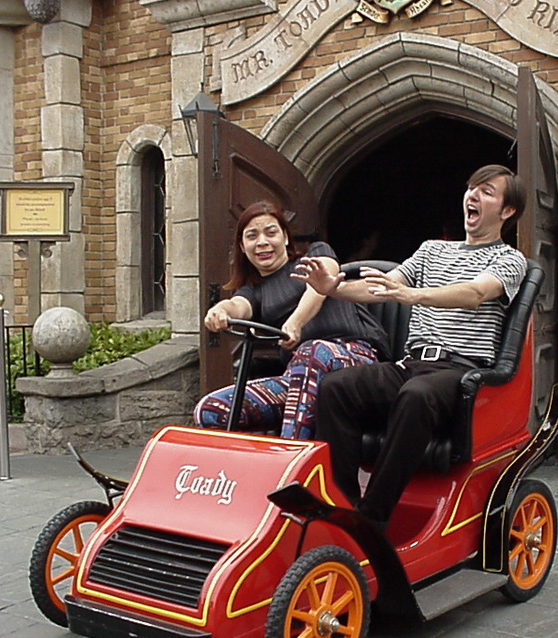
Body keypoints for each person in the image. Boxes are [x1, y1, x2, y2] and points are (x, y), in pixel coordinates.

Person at [293, 164, 528, 529]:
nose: (472, 196)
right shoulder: (431, 250)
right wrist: (332, 289)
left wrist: (415, 295)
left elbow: (476, 293)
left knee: (417, 395)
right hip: (410, 364)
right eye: (470, 188)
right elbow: (382, 288)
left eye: (486, 191)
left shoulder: (509, 260)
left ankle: (372, 516)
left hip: (458, 371)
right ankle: (340, 503)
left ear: (507, 210)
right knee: (337, 387)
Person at [193, 200, 389, 440]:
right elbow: (236, 306)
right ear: (243, 247)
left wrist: (296, 322)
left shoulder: (316, 254)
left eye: (271, 232)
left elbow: (320, 287)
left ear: (285, 237)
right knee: (212, 409)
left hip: (356, 361)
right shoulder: (255, 291)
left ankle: (290, 465)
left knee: (312, 351)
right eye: (252, 236)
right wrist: (220, 311)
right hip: (300, 379)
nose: (262, 242)